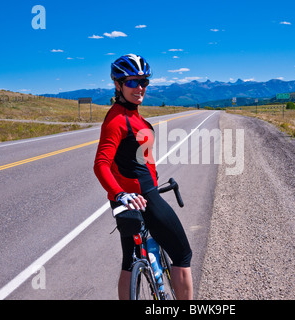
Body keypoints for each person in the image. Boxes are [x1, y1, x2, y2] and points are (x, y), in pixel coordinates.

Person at [93, 54, 193, 300]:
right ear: (118, 84)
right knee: (182, 255)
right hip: (142, 198)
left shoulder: (129, 115)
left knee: (129, 261)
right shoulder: (118, 120)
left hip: (125, 201)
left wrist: (120, 197)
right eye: (132, 82)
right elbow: (101, 164)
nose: (139, 87)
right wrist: (122, 193)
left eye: (144, 82)